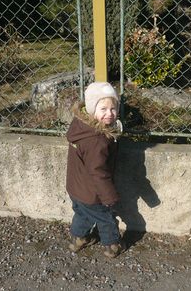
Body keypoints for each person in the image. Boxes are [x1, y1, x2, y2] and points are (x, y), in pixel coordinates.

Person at [66, 81, 124, 258]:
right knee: (105, 218)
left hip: (76, 187)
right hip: (93, 192)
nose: (109, 114)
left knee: (82, 213)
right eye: (103, 109)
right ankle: (112, 246)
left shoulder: (81, 126)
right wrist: (108, 197)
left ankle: (78, 239)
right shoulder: (96, 140)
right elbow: (98, 172)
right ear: (92, 109)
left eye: (113, 109)